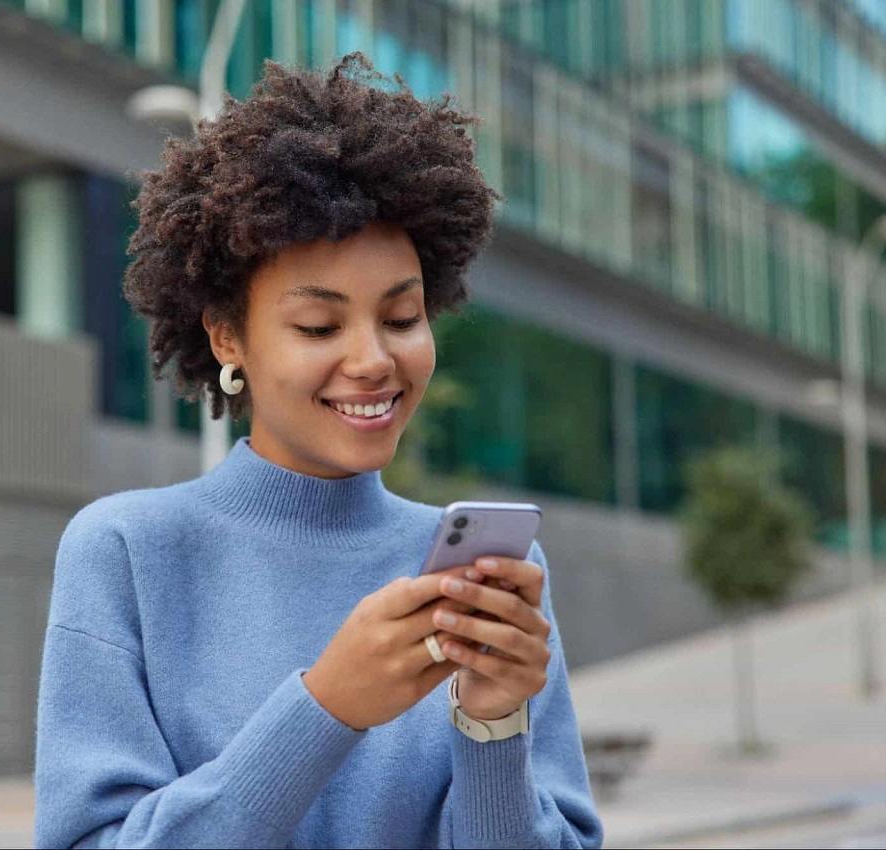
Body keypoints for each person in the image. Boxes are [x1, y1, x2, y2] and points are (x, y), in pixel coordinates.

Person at [33, 53, 603, 849]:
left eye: (401, 318)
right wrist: (329, 707)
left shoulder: (481, 574)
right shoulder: (127, 552)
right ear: (228, 334)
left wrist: (493, 724)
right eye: (319, 326)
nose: (373, 359)